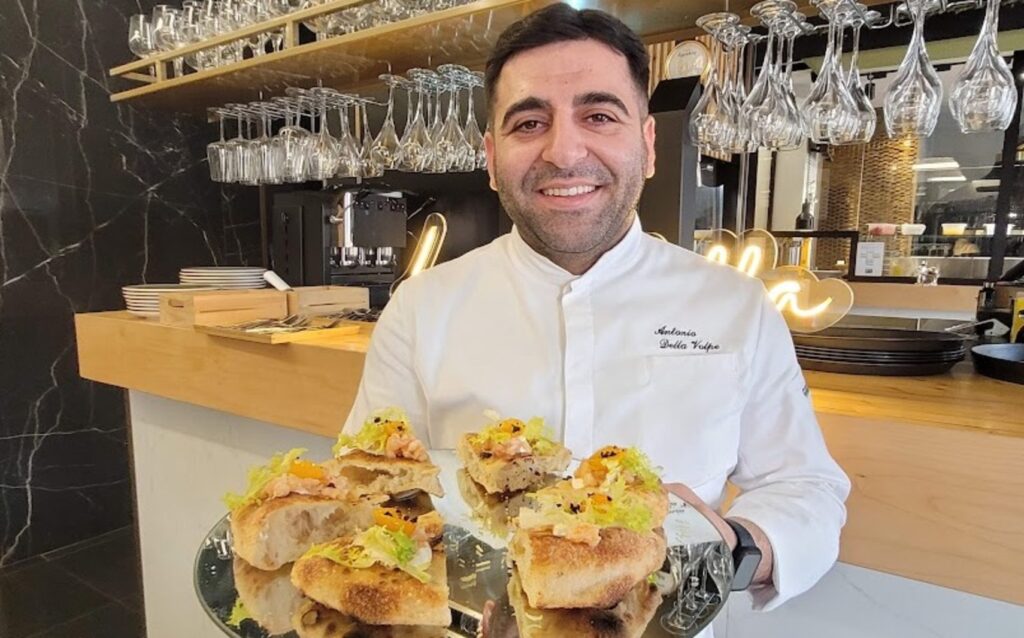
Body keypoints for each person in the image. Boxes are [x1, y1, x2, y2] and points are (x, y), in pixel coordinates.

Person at [344, 1, 850, 625]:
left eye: (599, 116)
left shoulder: (736, 305)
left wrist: (738, 547)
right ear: (492, 158)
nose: (564, 151)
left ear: (648, 145)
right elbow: (366, 485)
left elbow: (805, 486)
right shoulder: (420, 307)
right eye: (529, 123)